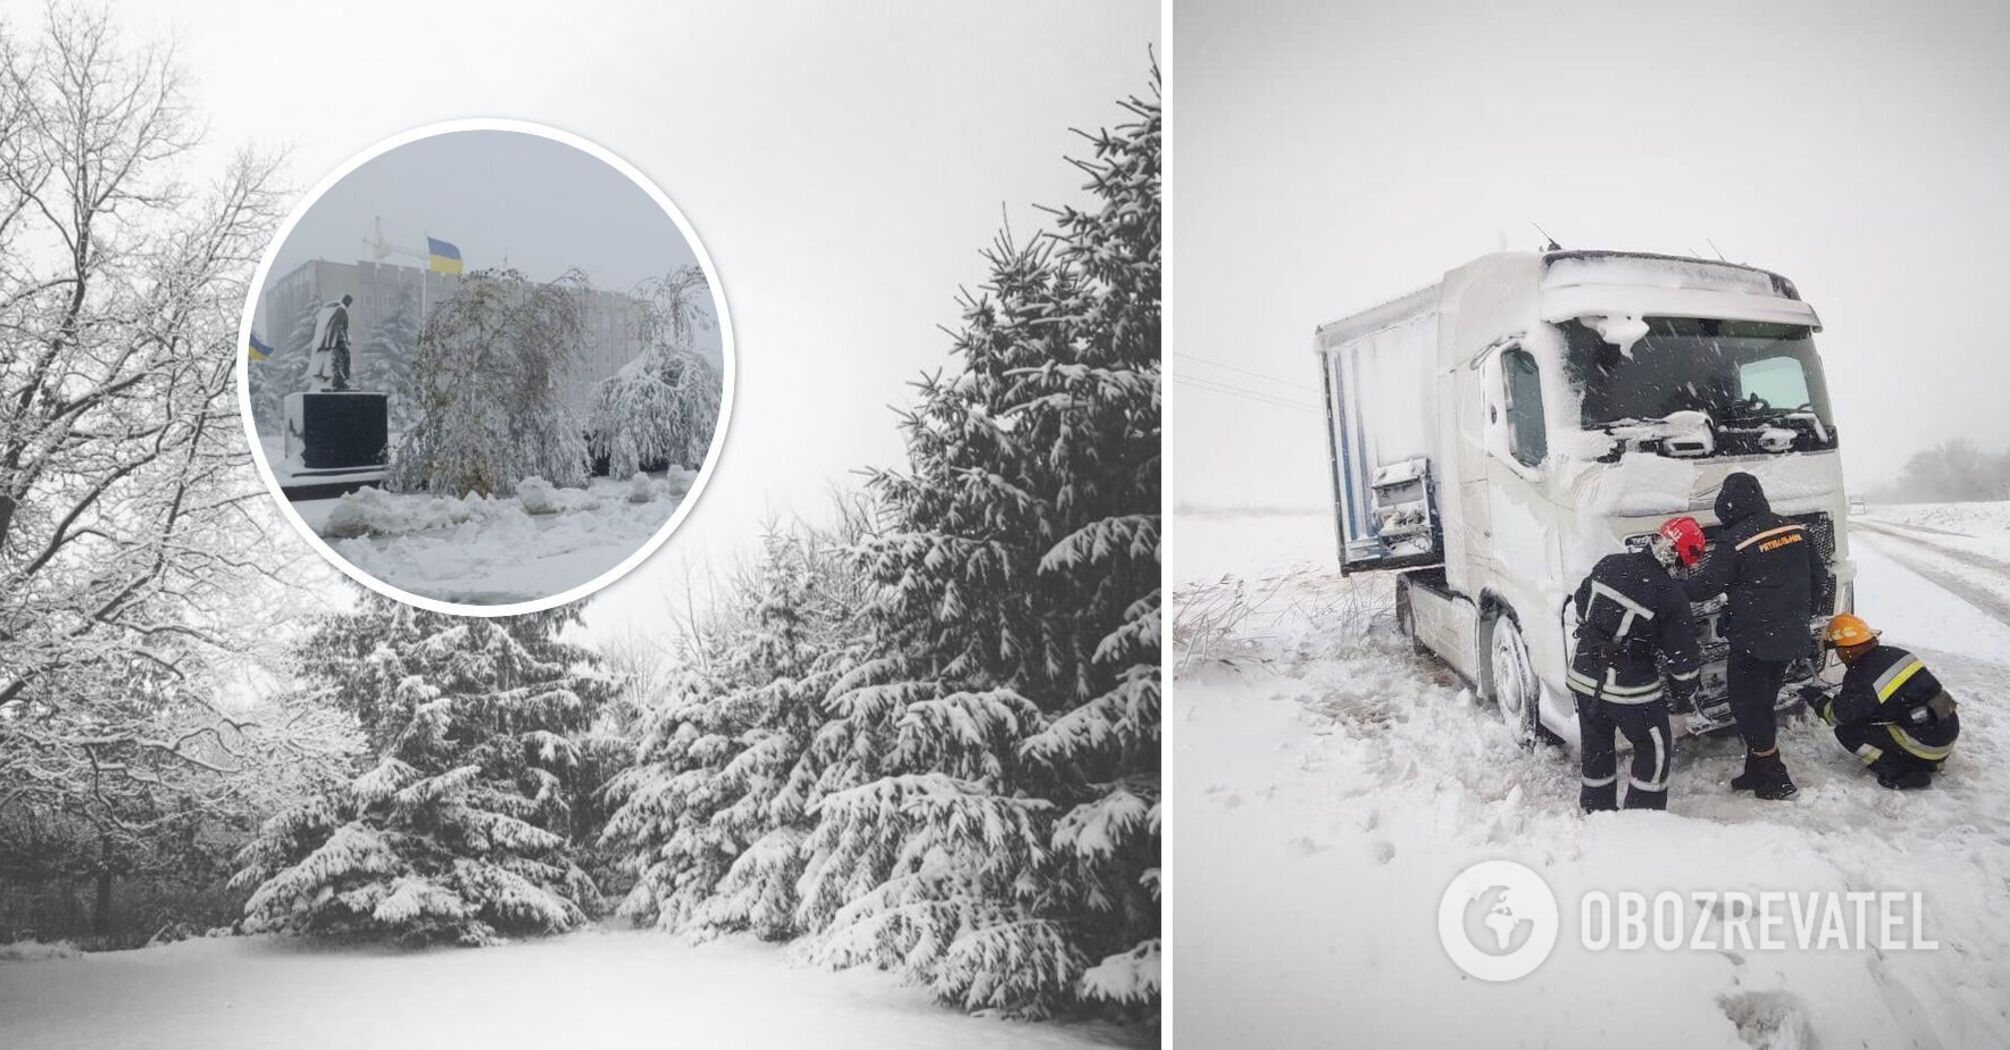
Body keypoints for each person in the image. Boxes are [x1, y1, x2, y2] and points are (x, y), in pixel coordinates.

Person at [1681, 472, 1822, 800]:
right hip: (1789, 634)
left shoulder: (1736, 541)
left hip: (1754, 641)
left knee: (1747, 708)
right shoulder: (1797, 530)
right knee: (1763, 703)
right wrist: (1802, 614)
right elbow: (1819, 576)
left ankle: (1776, 777)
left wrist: (1668, 587)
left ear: (1728, 505)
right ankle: (1756, 771)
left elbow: (1705, 587)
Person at [1568, 516, 1707, 812]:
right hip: (1628, 688)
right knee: (1654, 746)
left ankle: (1596, 809)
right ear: (1682, 559)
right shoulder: (1670, 595)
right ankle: (1643, 817)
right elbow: (1682, 660)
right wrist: (1685, 692)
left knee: (1596, 744)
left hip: (1582, 673)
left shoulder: (1610, 563)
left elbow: (1581, 604)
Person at [1800, 614, 1959, 789]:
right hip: (1947, 728)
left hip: (1929, 743)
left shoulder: (1862, 675)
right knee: (1874, 716)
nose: (1838, 655)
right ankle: (1924, 760)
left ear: (1847, 650)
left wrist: (1816, 698)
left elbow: (1838, 715)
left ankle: (1903, 773)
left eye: (1837, 649)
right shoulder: (1899, 654)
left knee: (1848, 732)